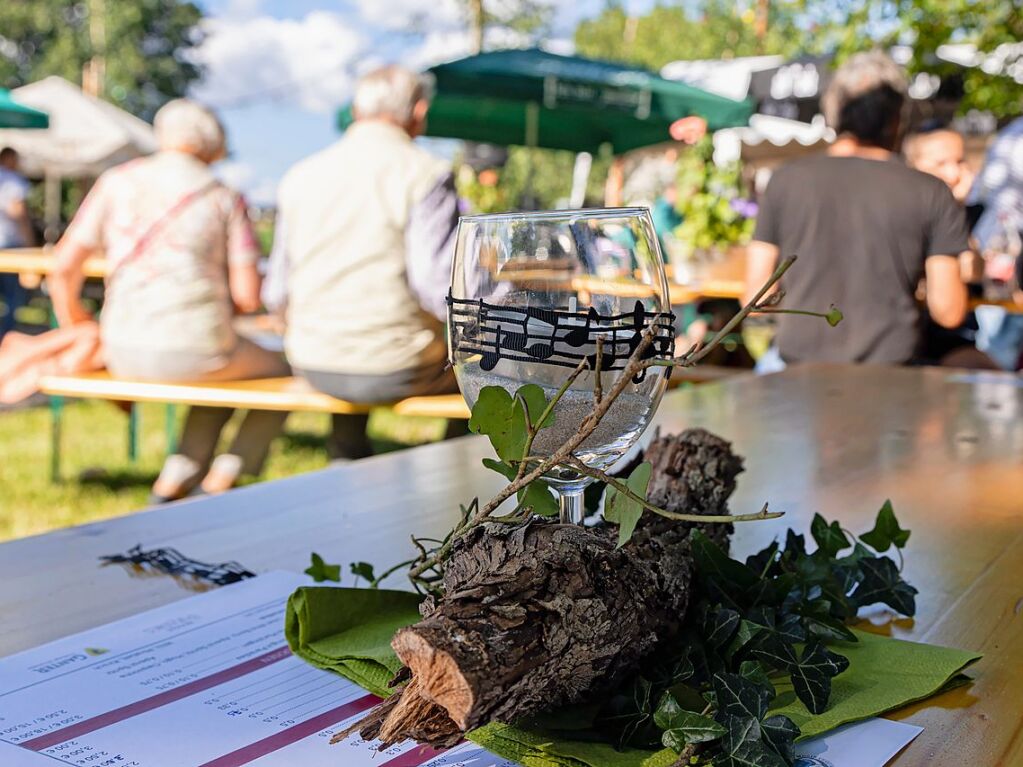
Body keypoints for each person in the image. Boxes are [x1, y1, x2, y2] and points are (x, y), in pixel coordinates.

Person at [48, 99, 288, 501]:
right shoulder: (223, 196)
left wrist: (78, 323)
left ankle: (178, 476)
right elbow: (248, 297)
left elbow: (62, 269)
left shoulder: (116, 181)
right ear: (213, 144)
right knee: (285, 373)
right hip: (197, 348)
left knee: (224, 373)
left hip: (120, 348)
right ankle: (222, 479)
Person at [270, 65, 459, 459]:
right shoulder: (425, 172)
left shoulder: (299, 175)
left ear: (356, 110)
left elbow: (275, 292)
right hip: (397, 369)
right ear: (419, 111)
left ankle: (348, 452)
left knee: (358, 344)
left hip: (311, 363)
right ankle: (452, 466)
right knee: (482, 367)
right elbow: (437, 288)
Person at [746, 51, 969, 369]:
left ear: (834, 113)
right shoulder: (930, 191)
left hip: (795, 369)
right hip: (890, 373)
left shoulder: (784, 180)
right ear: (897, 117)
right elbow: (948, 311)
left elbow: (754, 299)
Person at [965, 117, 1023, 370]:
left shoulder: (1013, 133)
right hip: (1004, 245)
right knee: (1000, 341)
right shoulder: (1017, 136)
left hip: (1000, 242)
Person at [0, 147, 34, 340]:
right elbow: (18, 212)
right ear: (10, 158)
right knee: (13, 296)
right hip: (10, 246)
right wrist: (29, 242)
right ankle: (6, 339)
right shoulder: (13, 180)